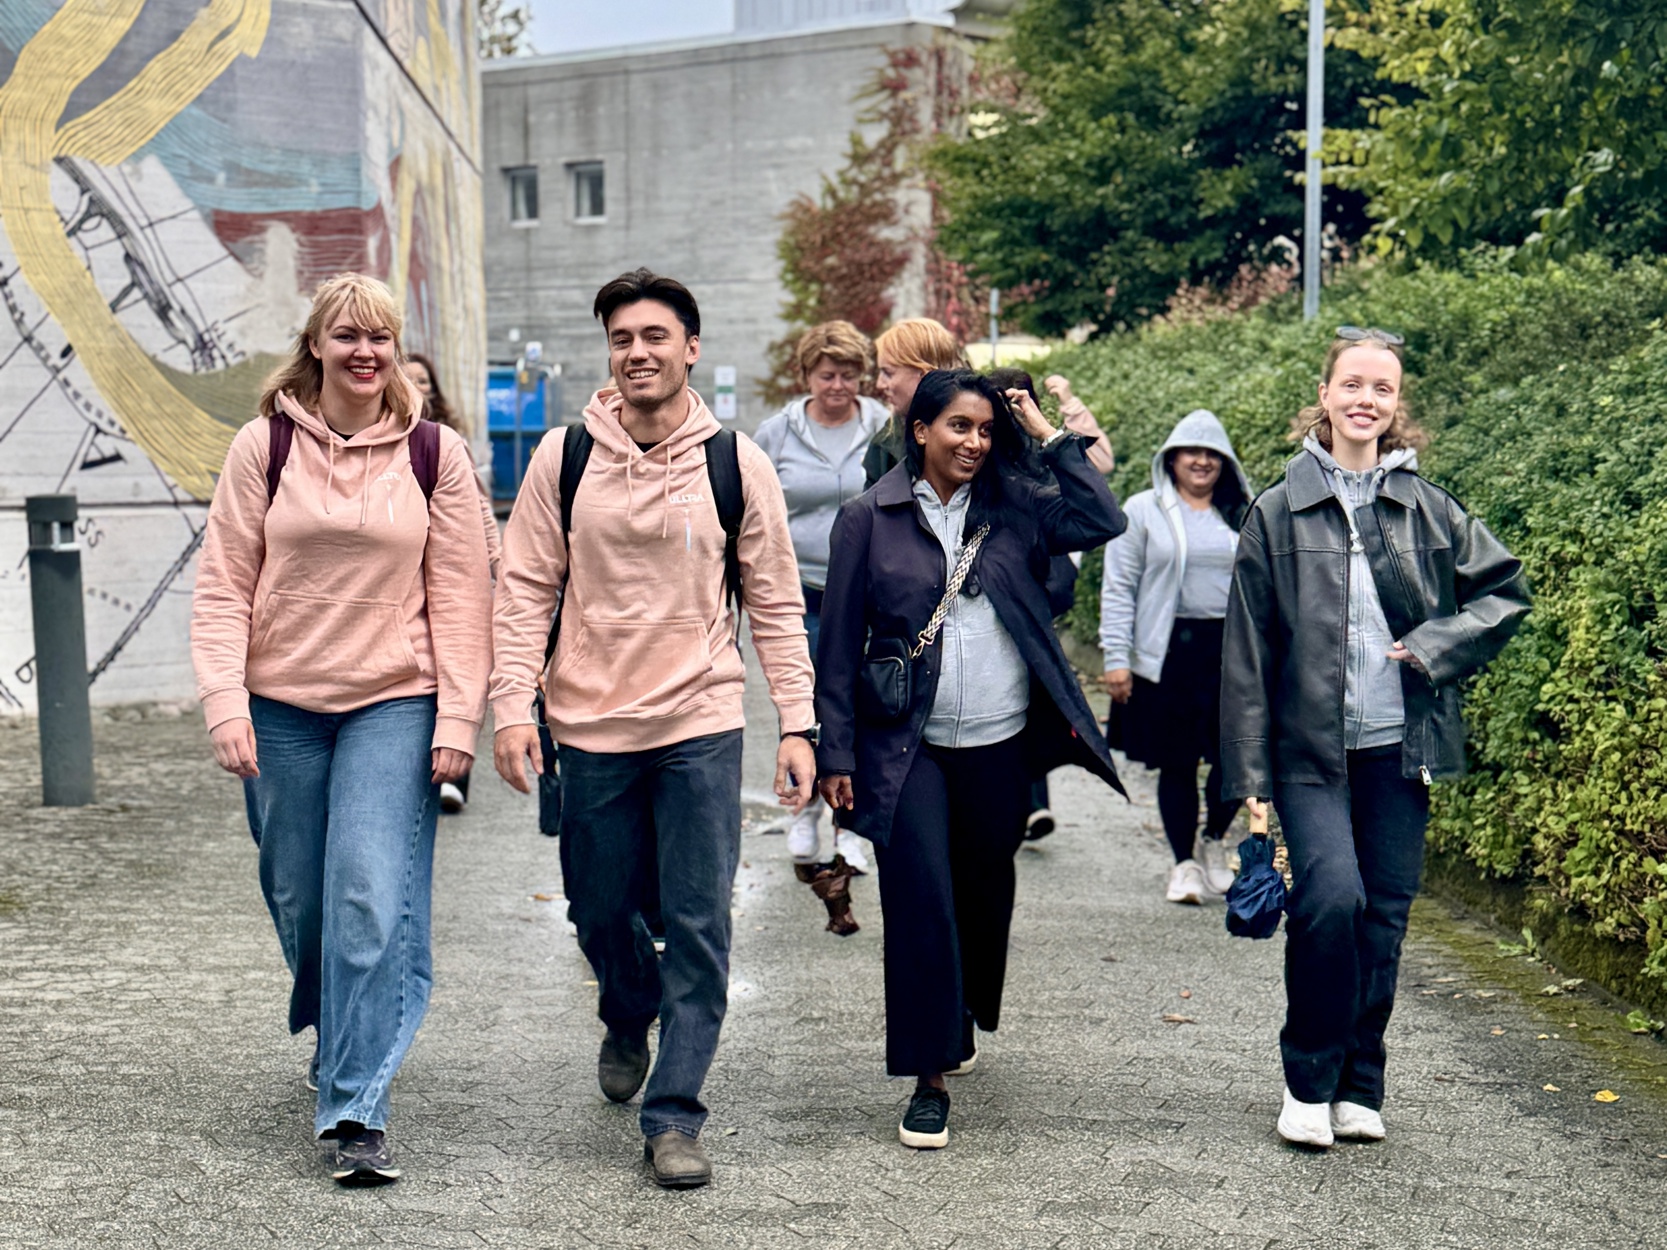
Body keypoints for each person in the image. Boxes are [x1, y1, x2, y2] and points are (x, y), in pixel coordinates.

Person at [489, 268, 818, 1189]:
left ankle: (675, 1116)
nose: (638, 352)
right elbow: (522, 592)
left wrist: (798, 723)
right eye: (623, 339)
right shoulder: (564, 458)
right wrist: (513, 704)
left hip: (700, 721)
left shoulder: (734, 462)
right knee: (599, 910)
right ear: (610, 353)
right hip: (589, 723)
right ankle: (625, 1008)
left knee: (699, 918)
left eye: (655, 337)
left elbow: (776, 604)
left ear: (691, 349)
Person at [191, 273, 492, 1185]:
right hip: (280, 707)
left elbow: (465, 595)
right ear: (316, 345)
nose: (365, 353)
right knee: (301, 898)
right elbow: (222, 586)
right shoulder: (264, 445)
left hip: (391, 703)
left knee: (366, 895)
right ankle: (341, 1028)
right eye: (346, 336)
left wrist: (459, 719)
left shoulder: (434, 454)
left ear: (395, 351)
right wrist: (225, 702)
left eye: (380, 338)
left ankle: (357, 1105)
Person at [1221, 327, 1530, 1148]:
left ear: (1396, 408)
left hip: (1401, 748)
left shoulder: (1426, 506)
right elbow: (1246, 654)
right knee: (1330, 902)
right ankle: (1306, 1079)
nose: (1364, 399)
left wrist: (1433, 646)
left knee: (1382, 919)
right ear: (1322, 397)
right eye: (1350, 384)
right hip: (1308, 754)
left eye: (1381, 389)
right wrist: (1246, 775)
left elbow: (1503, 593)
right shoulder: (1275, 508)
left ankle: (1360, 1084)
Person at [816, 368, 1127, 1151]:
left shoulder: (1015, 506)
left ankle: (959, 1010)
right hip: (908, 745)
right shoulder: (868, 518)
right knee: (922, 897)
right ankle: (929, 1077)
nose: (974, 442)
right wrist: (836, 750)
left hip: (999, 742)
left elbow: (1100, 519)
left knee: (985, 894)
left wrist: (1046, 434)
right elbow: (838, 644)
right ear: (919, 430)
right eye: (959, 426)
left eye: (986, 430)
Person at [1100, 409, 1252, 902]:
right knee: (1179, 763)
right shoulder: (1143, 510)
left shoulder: (1242, 512)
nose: (1202, 462)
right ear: (1171, 459)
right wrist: (1116, 658)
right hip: (1167, 654)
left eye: (1212, 454)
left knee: (1235, 759)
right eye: (1192, 452)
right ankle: (1183, 865)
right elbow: (1119, 586)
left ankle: (1212, 845)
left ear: (1225, 463)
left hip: (1230, 652)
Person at [754, 321, 889, 874]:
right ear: (807, 375)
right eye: (828, 375)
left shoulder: (884, 428)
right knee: (803, 706)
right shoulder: (776, 434)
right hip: (799, 593)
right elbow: (755, 510)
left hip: (867, 593)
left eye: (850, 375)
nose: (838, 386)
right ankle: (803, 810)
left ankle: (851, 824)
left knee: (861, 706)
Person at [987, 366, 1116, 842]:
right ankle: (1025, 800)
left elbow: (1101, 479)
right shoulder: (978, 454)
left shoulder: (1043, 446)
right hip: (991, 596)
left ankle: (1031, 799)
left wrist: (1051, 425)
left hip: (1040, 592)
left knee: (1025, 694)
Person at [404, 351, 501, 815]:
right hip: (404, 590)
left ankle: (456, 778)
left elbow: (481, 515)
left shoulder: (445, 444)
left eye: (424, 379)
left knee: (456, 679)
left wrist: (501, 568)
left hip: (447, 578)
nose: (416, 386)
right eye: (409, 378)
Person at [863, 318, 966, 487]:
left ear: (924, 374)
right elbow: (868, 511)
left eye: (888, 373)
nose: (880, 384)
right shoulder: (885, 445)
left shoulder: (991, 437)